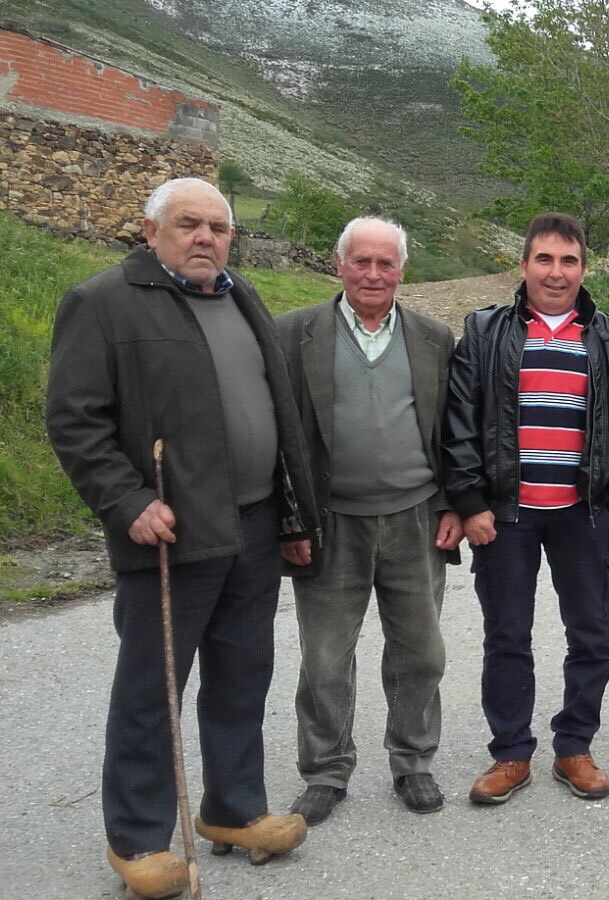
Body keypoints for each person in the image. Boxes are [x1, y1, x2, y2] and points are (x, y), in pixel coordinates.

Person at [46, 177, 319, 898]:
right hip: (170, 531)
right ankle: (138, 840)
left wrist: (292, 518)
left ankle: (232, 809)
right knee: (151, 688)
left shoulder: (240, 294)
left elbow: (276, 413)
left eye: (218, 227)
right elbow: (75, 420)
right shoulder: (102, 303)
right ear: (151, 230)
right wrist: (127, 500)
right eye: (189, 224)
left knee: (242, 674)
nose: (206, 237)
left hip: (254, 522)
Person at [443, 212, 609, 804]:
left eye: (568, 261)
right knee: (506, 634)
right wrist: (471, 501)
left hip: (582, 513)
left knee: (591, 634)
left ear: (584, 268)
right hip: (505, 515)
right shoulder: (485, 332)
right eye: (544, 259)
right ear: (524, 264)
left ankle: (574, 746)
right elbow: (459, 424)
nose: (556, 273)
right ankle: (510, 753)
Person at [276, 217, 464, 825]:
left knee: (421, 652)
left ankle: (413, 761)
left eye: (386, 264)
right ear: (340, 265)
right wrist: (291, 522)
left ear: (402, 271)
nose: (374, 274)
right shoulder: (294, 334)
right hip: (331, 522)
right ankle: (326, 771)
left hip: (415, 518)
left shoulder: (436, 339)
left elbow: (454, 434)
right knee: (326, 657)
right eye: (362, 262)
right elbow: (279, 440)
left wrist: (454, 504)